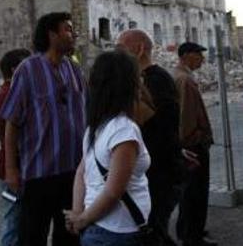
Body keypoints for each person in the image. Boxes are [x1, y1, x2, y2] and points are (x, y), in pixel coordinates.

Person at [1, 12, 86, 246]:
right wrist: (11, 169)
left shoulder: (75, 70)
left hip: (73, 173)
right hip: (39, 174)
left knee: (69, 236)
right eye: (67, 29)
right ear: (51, 35)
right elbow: (12, 122)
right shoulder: (27, 70)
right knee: (32, 236)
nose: (73, 34)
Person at [65, 50, 151, 246]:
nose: (141, 81)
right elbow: (114, 191)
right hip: (119, 231)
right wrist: (81, 219)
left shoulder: (97, 127)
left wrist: (79, 212)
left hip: (99, 227)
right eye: (137, 76)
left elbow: (81, 172)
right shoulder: (123, 130)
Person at [116, 29, 182, 245]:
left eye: (122, 48)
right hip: (153, 169)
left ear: (139, 49)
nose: (118, 54)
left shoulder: (157, 80)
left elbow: (161, 125)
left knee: (154, 230)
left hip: (161, 170)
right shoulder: (143, 80)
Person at [173, 42, 216, 246]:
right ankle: (193, 236)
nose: (202, 59)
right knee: (195, 192)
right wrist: (194, 139)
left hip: (188, 144)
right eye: (199, 54)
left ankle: (188, 230)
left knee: (189, 192)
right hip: (193, 146)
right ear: (187, 56)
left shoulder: (181, 77)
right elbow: (186, 116)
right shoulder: (185, 80)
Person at [0, 48, 31, 246]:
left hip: (14, 166)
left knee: (18, 220)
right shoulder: (10, 93)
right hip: (14, 167)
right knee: (14, 222)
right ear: (15, 69)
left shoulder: (7, 91)